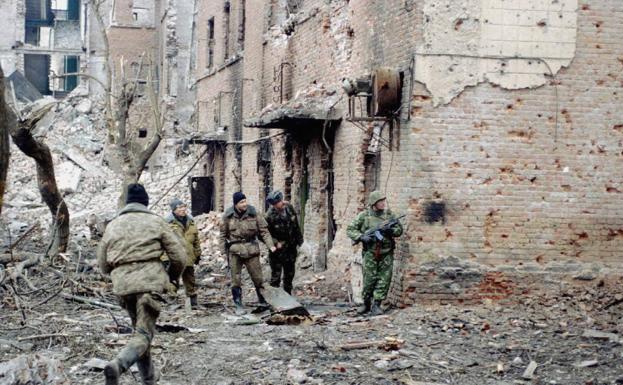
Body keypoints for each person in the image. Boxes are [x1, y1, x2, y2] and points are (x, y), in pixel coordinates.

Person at [98, 183, 187, 385]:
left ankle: (148, 378)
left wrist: (118, 273)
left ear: (127, 203)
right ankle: (118, 365)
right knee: (144, 333)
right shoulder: (156, 222)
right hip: (149, 283)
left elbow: (102, 264)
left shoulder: (113, 225)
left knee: (140, 332)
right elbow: (179, 256)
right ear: (145, 202)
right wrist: (172, 276)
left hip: (124, 286)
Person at [346, 191, 403, 316]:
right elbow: (350, 229)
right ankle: (366, 304)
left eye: (383, 201)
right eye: (380, 202)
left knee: (384, 279)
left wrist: (391, 230)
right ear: (374, 203)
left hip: (386, 252)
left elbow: (399, 231)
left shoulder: (389, 215)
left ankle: (377, 305)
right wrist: (361, 237)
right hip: (370, 253)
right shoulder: (364, 216)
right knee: (369, 279)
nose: (383, 204)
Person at [219, 192, 276, 315]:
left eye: (245, 201)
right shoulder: (228, 216)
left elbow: (264, 231)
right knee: (236, 279)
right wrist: (223, 252)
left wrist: (270, 245)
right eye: (241, 202)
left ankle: (263, 302)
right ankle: (238, 304)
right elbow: (223, 235)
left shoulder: (254, 213)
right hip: (235, 250)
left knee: (258, 278)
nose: (244, 204)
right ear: (236, 204)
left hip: (251, 249)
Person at [165, 198, 201, 309]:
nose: (183, 209)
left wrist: (197, 253)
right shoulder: (167, 222)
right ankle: (172, 300)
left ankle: (193, 302)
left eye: (184, 206)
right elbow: (163, 241)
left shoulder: (191, 221)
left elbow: (196, 240)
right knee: (173, 279)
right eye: (180, 207)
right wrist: (164, 258)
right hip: (175, 257)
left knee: (190, 279)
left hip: (189, 255)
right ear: (174, 210)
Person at [264, 190, 303, 295]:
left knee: (289, 275)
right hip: (277, 251)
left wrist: (300, 242)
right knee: (276, 276)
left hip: (290, 248)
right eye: (277, 203)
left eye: (280, 201)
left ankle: (288, 298)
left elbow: (296, 226)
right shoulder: (269, 216)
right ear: (273, 205)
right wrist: (275, 242)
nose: (281, 204)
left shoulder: (289, 208)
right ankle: (275, 299)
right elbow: (263, 234)